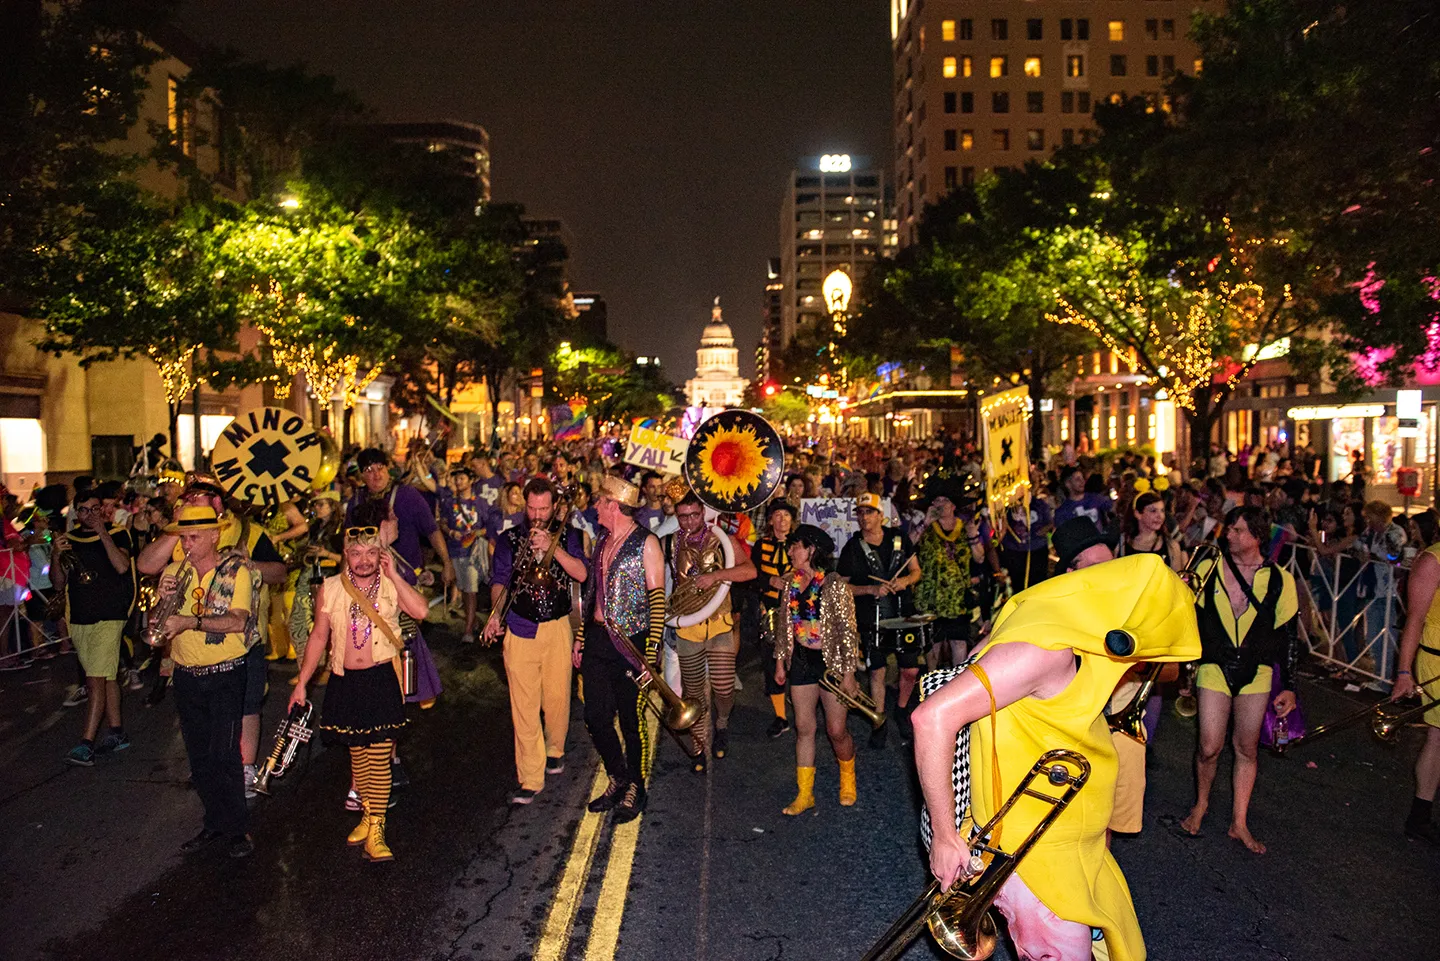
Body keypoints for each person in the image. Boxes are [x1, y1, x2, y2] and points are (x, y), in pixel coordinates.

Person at [912, 552, 1200, 961]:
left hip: (1066, 846)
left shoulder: (1077, 633)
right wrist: (945, 836)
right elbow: (932, 718)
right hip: (1036, 858)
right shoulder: (1045, 649)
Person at [138, 479, 288, 798]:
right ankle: (212, 769)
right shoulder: (180, 536)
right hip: (191, 648)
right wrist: (178, 529)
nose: (190, 502)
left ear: (217, 504)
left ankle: (243, 768)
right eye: (187, 499)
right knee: (201, 723)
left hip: (243, 638)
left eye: (198, 498)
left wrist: (244, 565)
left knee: (247, 704)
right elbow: (146, 565)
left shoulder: (249, 531)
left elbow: (280, 572)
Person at [290, 525, 430, 861]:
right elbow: (319, 636)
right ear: (346, 555)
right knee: (358, 755)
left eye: (371, 552)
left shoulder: (390, 585)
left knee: (379, 757)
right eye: (356, 553)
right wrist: (302, 682)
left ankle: (377, 828)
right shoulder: (331, 587)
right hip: (345, 680)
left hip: (382, 678)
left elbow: (421, 611)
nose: (364, 560)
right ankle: (368, 815)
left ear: (380, 554)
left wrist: (394, 575)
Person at [1180, 506, 1300, 854]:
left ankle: (1239, 822)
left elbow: (1289, 637)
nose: (1229, 535)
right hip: (1214, 667)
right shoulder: (1208, 567)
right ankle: (1201, 804)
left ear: (1257, 536)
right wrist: (1186, 668)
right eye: (1229, 529)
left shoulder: (1280, 580)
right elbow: (1188, 619)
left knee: (1247, 748)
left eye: (1238, 530)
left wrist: (1290, 685)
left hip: (1257, 672)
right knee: (1209, 746)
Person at [158, 506, 261, 859]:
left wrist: (190, 622)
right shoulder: (174, 571)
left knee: (224, 754)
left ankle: (238, 829)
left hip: (225, 673)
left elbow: (237, 621)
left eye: (194, 537)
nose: (186, 544)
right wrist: (161, 600)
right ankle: (215, 821)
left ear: (215, 535)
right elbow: (158, 623)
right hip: (186, 674)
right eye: (183, 538)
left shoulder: (237, 572)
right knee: (199, 756)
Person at [484, 477, 588, 805]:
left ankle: (555, 749)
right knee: (524, 707)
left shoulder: (571, 535)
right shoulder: (509, 539)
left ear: (555, 506)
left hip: (557, 627)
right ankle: (530, 777)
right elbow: (500, 582)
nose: (538, 515)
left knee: (557, 698)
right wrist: (496, 615)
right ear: (524, 506)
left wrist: (553, 547)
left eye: (544, 508)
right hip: (520, 627)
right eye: (532, 508)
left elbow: (582, 574)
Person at [577, 476, 666, 823]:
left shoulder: (647, 542)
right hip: (598, 639)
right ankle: (618, 776)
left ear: (613, 505)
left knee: (631, 718)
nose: (595, 507)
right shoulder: (602, 540)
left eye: (600, 502)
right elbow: (592, 594)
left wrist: (652, 650)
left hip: (633, 642)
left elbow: (657, 598)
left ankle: (636, 786)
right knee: (595, 716)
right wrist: (581, 636)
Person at [664, 490, 756, 771]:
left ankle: (722, 723)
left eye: (694, 515)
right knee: (693, 692)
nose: (689, 521)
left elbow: (750, 571)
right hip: (687, 625)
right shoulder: (669, 542)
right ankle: (699, 741)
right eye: (683, 516)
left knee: (724, 687)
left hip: (718, 622)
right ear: (676, 516)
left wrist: (716, 576)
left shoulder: (723, 539)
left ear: (703, 512)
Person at [773, 525, 860, 814]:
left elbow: (848, 631)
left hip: (831, 661)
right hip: (801, 660)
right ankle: (804, 794)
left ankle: (848, 778)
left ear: (810, 550)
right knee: (804, 727)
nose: (790, 551)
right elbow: (784, 625)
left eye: (795, 546)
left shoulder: (834, 585)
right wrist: (780, 661)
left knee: (836, 730)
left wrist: (849, 673)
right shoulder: (791, 584)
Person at [53, 490, 135, 764]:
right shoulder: (70, 539)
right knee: (106, 676)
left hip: (110, 616)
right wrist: (55, 554)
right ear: (76, 512)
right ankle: (117, 732)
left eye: (95, 508)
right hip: (79, 617)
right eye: (84, 510)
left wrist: (103, 533)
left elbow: (122, 566)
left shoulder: (119, 533)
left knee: (94, 679)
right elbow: (58, 583)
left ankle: (86, 743)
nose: (90, 514)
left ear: (103, 510)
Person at [838, 492, 921, 747]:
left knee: (910, 670)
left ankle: (902, 709)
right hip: (871, 617)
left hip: (903, 613)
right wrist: (870, 589)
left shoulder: (899, 538)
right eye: (860, 513)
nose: (864, 517)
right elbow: (841, 586)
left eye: (869, 512)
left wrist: (905, 580)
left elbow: (916, 571)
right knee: (877, 671)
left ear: (880, 514)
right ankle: (880, 720)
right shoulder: (853, 547)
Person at [1391, 523, 1440, 843]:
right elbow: (1415, 619)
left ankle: (1420, 817)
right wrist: (1404, 673)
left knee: (1438, 738)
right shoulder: (1432, 561)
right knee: (1437, 736)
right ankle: (1420, 816)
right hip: (1437, 660)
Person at [914, 480, 980, 668]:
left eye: (945, 500)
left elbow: (979, 558)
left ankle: (958, 680)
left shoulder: (965, 527)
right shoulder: (926, 528)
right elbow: (907, 547)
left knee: (958, 642)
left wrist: (973, 535)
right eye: (937, 501)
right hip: (931, 596)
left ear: (953, 506)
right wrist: (925, 523)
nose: (940, 504)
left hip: (957, 598)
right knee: (933, 644)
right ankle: (932, 680)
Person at [754, 501, 796, 738]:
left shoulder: (800, 545)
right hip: (770, 610)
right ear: (770, 520)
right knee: (772, 662)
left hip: (798, 611)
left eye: (786, 515)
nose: (782, 519)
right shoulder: (761, 545)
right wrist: (769, 581)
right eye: (777, 515)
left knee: (797, 661)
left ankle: (802, 706)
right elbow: (752, 575)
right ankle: (781, 716)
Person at [439, 466, 486, 644]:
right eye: (457, 479)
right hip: (456, 550)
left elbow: (489, 526)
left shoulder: (480, 503)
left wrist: (476, 534)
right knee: (465, 589)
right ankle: (472, 620)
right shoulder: (449, 503)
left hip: (473, 553)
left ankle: (468, 630)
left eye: (462, 479)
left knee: (471, 590)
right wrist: (451, 532)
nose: (458, 482)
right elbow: (443, 523)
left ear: (471, 481)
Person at [1120, 491, 1184, 570]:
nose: (1160, 516)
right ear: (1138, 514)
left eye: (1162, 511)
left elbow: (1176, 576)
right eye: (1153, 511)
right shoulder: (1122, 544)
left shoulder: (1171, 547)